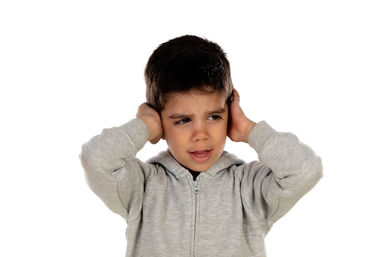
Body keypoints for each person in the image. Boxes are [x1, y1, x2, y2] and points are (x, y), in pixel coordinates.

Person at [79, 35, 323, 257]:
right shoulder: (142, 186)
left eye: (214, 116)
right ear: (161, 121)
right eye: (183, 120)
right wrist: (145, 125)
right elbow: (96, 159)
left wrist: (248, 129)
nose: (201, 135)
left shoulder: (249, 186)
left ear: (229, 112)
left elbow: (305, 169)